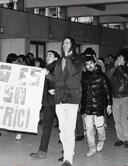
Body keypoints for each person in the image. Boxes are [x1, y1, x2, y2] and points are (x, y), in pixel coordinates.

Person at [47, 36, 83, 166]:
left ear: (72, 45)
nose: (64, 45)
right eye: (63, 43)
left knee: (69, 129)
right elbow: (57, 80)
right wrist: (47, 74)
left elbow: (73, 71)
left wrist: (67, 57)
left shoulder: (79, 59)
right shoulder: (60, 61)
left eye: (67, 43)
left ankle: (68, 159)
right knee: (62, 130)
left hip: (72, 98)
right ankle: (68, 153)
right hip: (60, 98)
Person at [30, 50, 60, 159]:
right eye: (47, 54)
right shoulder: (46, 68)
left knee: (64, 129)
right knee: (46, 127)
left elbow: (60, 81)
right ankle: (42, 151)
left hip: (58, 101)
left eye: (50, 55)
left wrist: (48, 75)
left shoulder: (58, 67)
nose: (47, 56)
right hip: (48, 102)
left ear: (56, 58)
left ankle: (67, 153)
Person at [80, 55, 112, 157]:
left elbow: (107, 91)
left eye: (91, 63)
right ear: (85, 66)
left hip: (98, 106)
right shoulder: (83, 76)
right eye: (87, 64)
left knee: (99, 127)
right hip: (87, 107)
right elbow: (81, 92)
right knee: (89, 129)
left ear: (95, 64)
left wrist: (109, 105)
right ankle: (92, 147)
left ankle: (101, 139)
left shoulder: (102, 76)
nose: (89, 66)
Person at [107, 53, 128, 148]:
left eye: (121, 59)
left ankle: (127, 139)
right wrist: (115, 67)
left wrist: (120, 67)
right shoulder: (112, 69)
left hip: (124, 97)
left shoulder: (127, 68)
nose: (119, 60)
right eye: (118, 58)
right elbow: (107, 76)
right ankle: (120, 138)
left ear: (124, 61)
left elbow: (127, 77)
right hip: (114, 97)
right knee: (117, 120)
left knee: (124, 119)